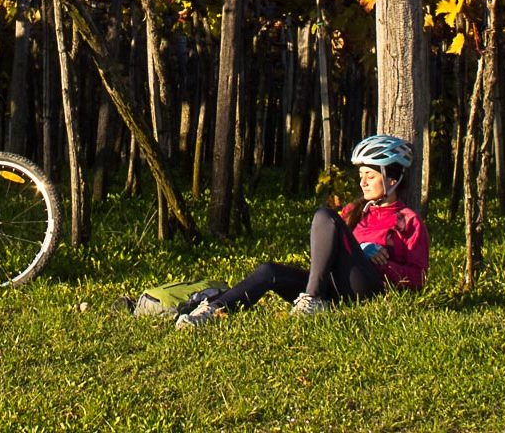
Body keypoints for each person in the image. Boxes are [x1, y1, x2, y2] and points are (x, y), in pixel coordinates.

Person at [176, 134, 430, 329]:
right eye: (361, 175)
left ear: (392, 179)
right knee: (270, 271)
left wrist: (378, 262)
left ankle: (313, 299)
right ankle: (214, 310)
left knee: (324, 215)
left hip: (365, 289)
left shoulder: (408, 220)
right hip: (331, 287)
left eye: (370, 176)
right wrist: (360, 250)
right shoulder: (354, 211)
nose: (362, 182)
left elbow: (419, 279)